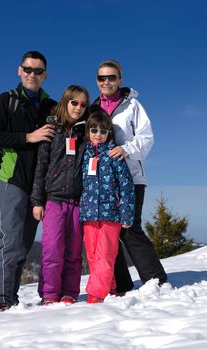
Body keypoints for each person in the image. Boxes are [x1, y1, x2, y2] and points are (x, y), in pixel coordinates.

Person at [0, 51, 57, 312]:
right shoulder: (7, 101)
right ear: (19, 70)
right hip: (12, 179)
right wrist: (29, 137)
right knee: (11, 242)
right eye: (28, 69)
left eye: (38, 71)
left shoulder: (51, 106)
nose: (32, 74)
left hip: (40, 185)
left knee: (23, 245)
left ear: (45, 75)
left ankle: (9, 299)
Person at [90, 60, 167, 293]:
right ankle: (120, 284)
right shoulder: (94, 109)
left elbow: (146, 137)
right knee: (109, 229)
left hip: (131, 176)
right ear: (97, 81)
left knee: (129, 227)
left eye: (111, 77)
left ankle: (156, 280)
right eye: (102, 78)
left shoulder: (132, 106)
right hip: (103, 181)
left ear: (120, 80)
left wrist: (127, 149)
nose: (107, 82)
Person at [31, 85, 89, 305]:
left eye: (83, 104)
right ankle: (49, 294)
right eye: (74, 102)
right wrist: (37, 201)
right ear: (65, 102)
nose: (78, 107)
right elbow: (40, 166)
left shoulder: (86, 132)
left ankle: (69, 293)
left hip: (77, 202)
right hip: (54, 200)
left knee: (74, 253)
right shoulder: (51, 129)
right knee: (53, 250)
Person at [80, 111, 135, 303]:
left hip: (111, 214)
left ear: (109, 133)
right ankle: (110, 287)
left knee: (106, 253)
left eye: (103, 131)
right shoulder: (84, 155)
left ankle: (97, 293)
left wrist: (127, 215)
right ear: (87, 131)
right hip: (88, 214)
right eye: (94, 130)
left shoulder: (114, 155)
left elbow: (126, 186)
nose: (98, 134)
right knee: (93, 254)